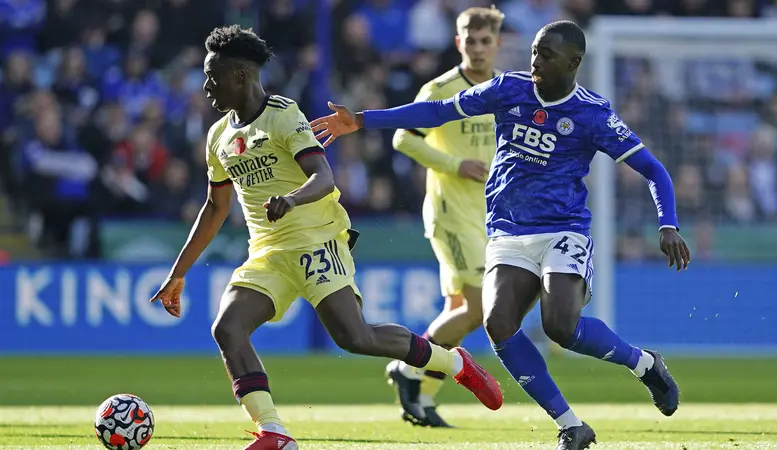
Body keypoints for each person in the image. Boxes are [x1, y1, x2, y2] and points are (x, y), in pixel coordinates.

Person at [310, 20, 690, 450]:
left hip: (562, 229)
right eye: (534, 51)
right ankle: (570, 425)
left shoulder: (592, 113)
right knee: (498, 323)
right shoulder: (509, 89)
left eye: (546, 55)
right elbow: (439, 111)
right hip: (508, 231)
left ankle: (644, 364)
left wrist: (668, 223)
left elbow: (654, 170)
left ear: (573, 62)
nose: (535, 61)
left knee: (560, 327)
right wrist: (360, 120)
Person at [149, 25, 503, 450]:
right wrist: (177, 274)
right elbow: (215, 208)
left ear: (240, 75)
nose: (206, 87)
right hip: (267, 254)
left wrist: (292, 199)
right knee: (228, 328)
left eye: (213, 76)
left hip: (317, 240)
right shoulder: (218, 137)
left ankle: (453, 361)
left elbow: (323, 175)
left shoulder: (283, 115)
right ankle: (273, 431)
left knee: (356, 338)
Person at [384, 6, 502, 428]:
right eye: (470, 40)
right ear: (458, 43)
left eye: (485, 41)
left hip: (490, 216)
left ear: (497, 44)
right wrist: (454, 164)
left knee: (459, 310)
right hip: (451, 212)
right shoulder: (440, 88)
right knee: (477, 309)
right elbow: (402, 138)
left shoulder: (506, 90)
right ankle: (410, 369)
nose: (477, 48)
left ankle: (423, 398)